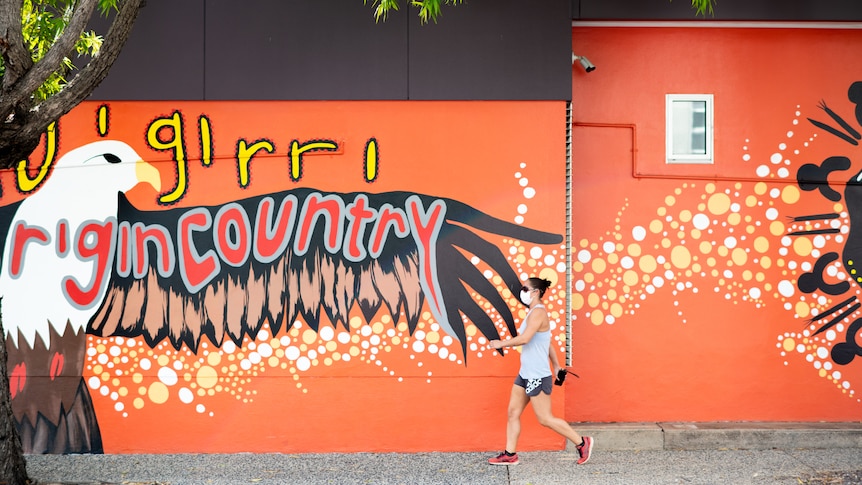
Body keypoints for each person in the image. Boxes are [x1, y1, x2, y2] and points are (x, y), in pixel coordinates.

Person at [487, 277, 593, 466]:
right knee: (513, 412)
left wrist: (501, 343)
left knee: (545, 418)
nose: (522, 291)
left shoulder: (538, 313)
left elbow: (525, 339)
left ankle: (581, 442)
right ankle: (510, 454)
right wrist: (556, 365)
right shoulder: (532, 313)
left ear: (536, 292)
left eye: (525, 288)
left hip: (537, 374)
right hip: (525, 373)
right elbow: (547, 342)